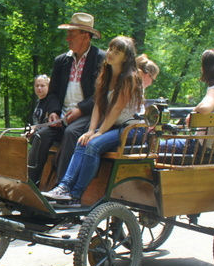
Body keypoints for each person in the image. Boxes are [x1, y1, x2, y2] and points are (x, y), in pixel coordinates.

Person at [42, 36, 143, 202]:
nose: (110, 54)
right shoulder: (106, 74)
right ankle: (64, 187)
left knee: (93, 145)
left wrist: (99, 133)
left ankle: (76, 195)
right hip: (113, 126)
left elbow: (117, 109)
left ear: (125, 58)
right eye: (111, 49)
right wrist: (90, 131)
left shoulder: (129, 78)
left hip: (131, 129)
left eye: (117, 52)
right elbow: (98, 105)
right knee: (83, 141)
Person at [27, 13, 106, 186]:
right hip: (63, 116)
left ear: (85, 36)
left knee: (71, 134)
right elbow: (53, 92)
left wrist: (81, 110)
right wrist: (54, 112)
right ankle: (31, 184)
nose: (67, 38)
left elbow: (102, 94)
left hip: (89, 116)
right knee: (41, 136)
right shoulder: (61, 61)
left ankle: (62, 187)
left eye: (72, 34)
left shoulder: (101, 59)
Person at [160, 48, 214, 158]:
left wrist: (195, 110)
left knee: (156, 146)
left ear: (206, 69)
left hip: (202, 147)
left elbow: (206, 107)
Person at [127, 54, 160, 146]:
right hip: (133, 130)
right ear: (147, 75)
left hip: (133, 128)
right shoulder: (136, 88)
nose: (151, 83)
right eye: (152, 79)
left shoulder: (137, 88)